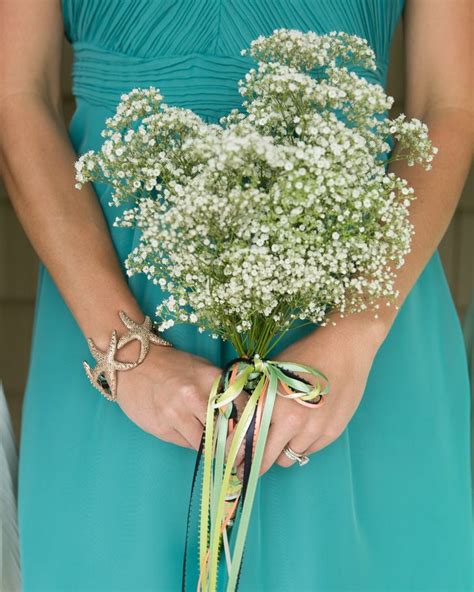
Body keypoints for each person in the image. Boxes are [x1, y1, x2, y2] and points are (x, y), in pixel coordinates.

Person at [0, 0, 472, 590]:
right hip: (116, 299)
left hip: (356, 297)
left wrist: (354, 333)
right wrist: (123, 346)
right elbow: (18, 95)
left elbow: (446, 107)